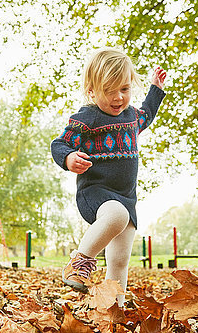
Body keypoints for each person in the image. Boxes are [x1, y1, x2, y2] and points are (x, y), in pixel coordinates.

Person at [51, 47, 166, 306]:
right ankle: (78, 263)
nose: (118, 98)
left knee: (119, 258)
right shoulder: (87, 118)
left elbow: (147, 112)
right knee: (116, 215)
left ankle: (114, 308)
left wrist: (155, 89)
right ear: (92, 90)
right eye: (110, 91)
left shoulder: (131, 117)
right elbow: (59, 144)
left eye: (124, 90)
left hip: (127, 197)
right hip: (96, 193)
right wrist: (69, 158)